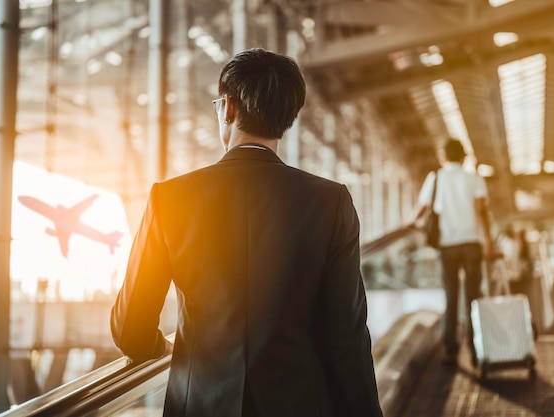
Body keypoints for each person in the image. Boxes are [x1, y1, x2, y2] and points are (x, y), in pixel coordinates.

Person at [110, 48, 382, 417]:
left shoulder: (169, 198)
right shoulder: (330, 201)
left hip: (201, 405)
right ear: (289, 118)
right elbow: (346, 337)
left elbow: (131, 331)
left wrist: (158, 346)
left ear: (227, 107)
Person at [408, 139, 493, 367]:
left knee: (451, 295)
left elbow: (421, 208)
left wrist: (410, 222)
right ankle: (477, 349)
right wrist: (488, 241)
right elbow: (481, 213)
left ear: (443, 157)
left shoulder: (435, 178)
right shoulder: (474, 179)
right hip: (472, 243)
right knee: (474, 296)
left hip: (447, 245)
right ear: (464, 157)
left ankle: (450, 350)